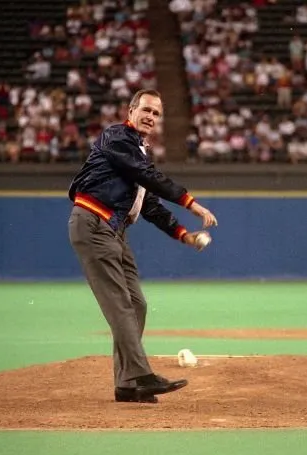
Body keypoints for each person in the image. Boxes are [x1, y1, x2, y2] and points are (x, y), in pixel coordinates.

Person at [67, 89, 218, 403]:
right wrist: (191, 204)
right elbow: (149, 177)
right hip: (93, 222)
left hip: (114, 232)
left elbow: (149, 205)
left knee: (137, 304)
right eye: (146, 110)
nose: (150, 117)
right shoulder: (117, 138)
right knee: (121, 305)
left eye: (156, 114)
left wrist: (183, 234)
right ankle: (141, 375)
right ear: (131, 110)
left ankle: (127, 384)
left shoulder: (136, 154)